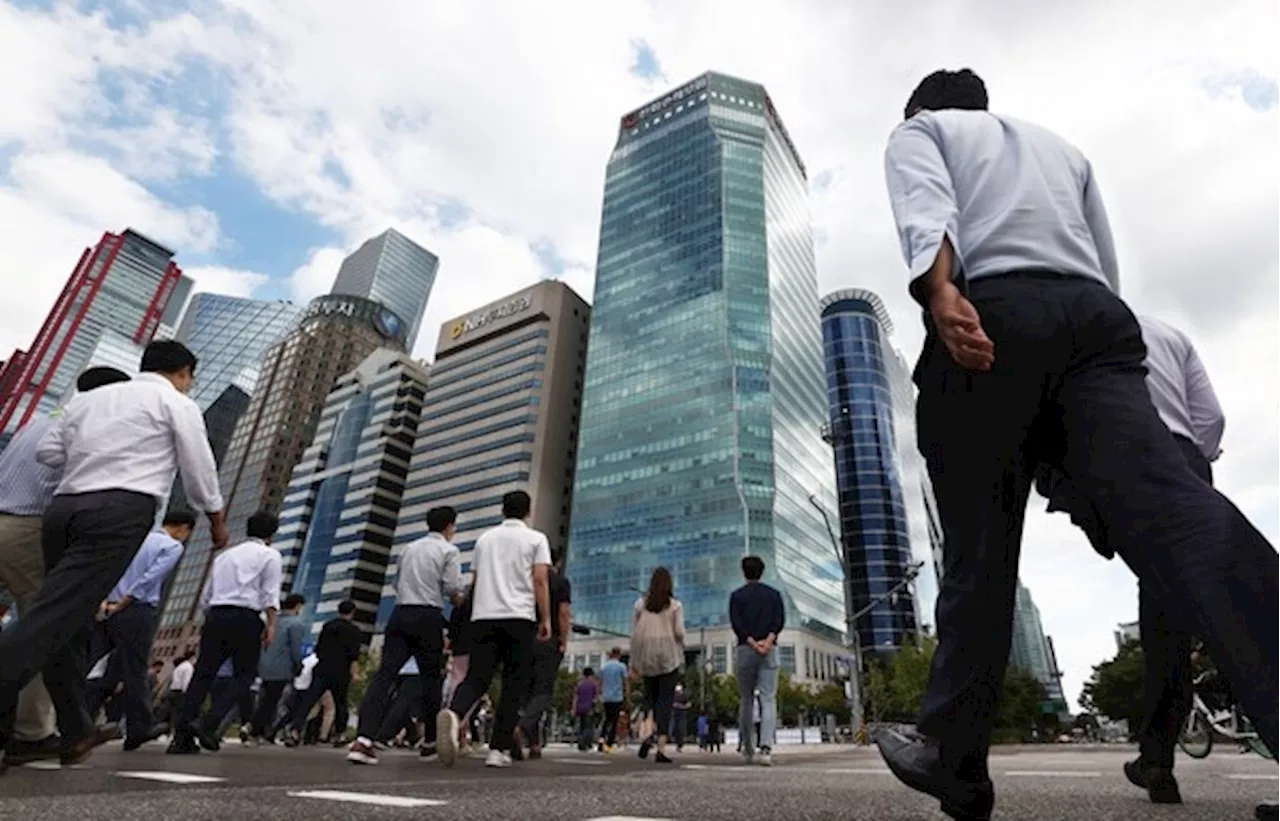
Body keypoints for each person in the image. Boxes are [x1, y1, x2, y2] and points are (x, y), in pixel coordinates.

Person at [875, 68, 1280, 821]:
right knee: (1182, 516)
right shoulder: (1061, 148)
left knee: (979, 552)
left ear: (921, 107)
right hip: (1094, 323)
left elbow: (925, 210)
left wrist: (940, 293)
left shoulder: (919, 132)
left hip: (992, 315)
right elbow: (1105, 266)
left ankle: (955, 757)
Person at [0, 340, 227, 773]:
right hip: (120, 510)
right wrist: (215, 518)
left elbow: (49, 452)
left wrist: (90, 457)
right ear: (183, 371)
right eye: (190, 378)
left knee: (68, 619)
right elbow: (199, 468)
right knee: (53, 615)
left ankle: (71, 729)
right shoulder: (175, 402)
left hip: (64, 509)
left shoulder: (91, 401)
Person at [1035, 314, 1224, 804]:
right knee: (1216, 603)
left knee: (1166, 626)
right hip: (1186, 462)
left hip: (1122, 460)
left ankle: (1157, 760)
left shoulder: (1079, 323)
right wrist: (1191, 460)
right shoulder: (1170, 332)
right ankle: (1155, 757)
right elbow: (1211, 418)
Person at [0, 366, 131, 767]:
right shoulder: (86, 428)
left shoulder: (39, 423)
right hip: (28, 528)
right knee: (45, 630)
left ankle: (59, 729)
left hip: (8, 520)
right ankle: (31, 733)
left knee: (45, 627)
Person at [435, 490, 551, 769]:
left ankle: (454, 713)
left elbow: (474, 581)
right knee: (514, 684)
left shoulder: (484, 540)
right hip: (519, 617)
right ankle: (498, 750)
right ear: (528, 511)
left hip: (484, 616)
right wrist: (545, 618)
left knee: (477, 677)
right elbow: (539, 580)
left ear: (502, 510)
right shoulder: (536, 539)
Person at [348, 506, 464, 765]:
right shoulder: (449, 551)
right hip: (428, 615)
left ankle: (363, 740)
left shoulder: (409, 548)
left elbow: (396, 583)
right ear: (449, 526)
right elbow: (453, 589)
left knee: (384, 676)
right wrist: (463, 601)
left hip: (400, 614)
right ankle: (431, 742)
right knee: (431, 680)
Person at [169, 511, 282, 755]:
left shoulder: (225, 556)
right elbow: (270, 595)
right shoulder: (270, 555)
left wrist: (209, 617)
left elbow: (206, 596)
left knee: (202, 675)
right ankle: (209, 723)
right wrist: (271, 625)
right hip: (247, 618)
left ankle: (181, 737)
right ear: (272, 534)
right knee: (244, 675)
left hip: (216, 615)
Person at [89, 510, 195, 750]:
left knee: (95, 664)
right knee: (135, 669)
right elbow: (151, 577)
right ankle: (139, 728)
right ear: (183, 528)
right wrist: (127, 600)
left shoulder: (137, 538)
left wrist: (107, 601)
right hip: (136, 609)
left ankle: (76, 718)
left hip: (108, 608)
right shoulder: (172, 546)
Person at [514, 544, 572, 759]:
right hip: (548, 638)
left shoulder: (525, 579)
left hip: (524, 637)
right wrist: (564, 640)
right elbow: (564, 613)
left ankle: (534, 744)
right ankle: (521, 727)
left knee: (528, 690)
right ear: (556, 562)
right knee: (543, 691)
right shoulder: (560, 582)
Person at [729, 555, 784, 767]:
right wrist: (768, 642)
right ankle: (766, 748)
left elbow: (737, 624)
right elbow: (779, 620)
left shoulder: (737, 596)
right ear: (763, 571)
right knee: (768, 698)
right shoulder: (774, 595)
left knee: (746, 699)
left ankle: (748, 749)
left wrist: (752, 643)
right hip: (769, 650)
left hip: (745, 649)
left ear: (744, 571)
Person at [286, 599, 363, 746]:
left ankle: (295, 730)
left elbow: (319, 648)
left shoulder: (328, 626)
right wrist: (355, 674)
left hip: (322, 668)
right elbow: (354, 656)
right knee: (340, 703)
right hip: (341, 671)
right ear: (352, 613)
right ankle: (339, 734)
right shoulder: (354, 631)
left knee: (309, 700)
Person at [630, 566, 685, 765]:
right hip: (668, 656)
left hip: (646, 657)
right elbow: (679, 632)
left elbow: (635, 633)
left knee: (650, 699)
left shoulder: (640, 605)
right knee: (665, 702)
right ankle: (661, 748)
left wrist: (633, 662)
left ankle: (647, 734)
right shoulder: (675, 606)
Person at [248, 593, 306, 744]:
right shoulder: (296, 624)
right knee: (271, 701)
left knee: (264, 699)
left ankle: (255, 728)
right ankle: (252, 729)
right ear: (298, 605)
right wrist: (298, 664)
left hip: (264, 665)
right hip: (282, 667)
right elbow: (295, 648)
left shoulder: (272, 621)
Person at [597, 647, 628, 752]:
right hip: (617, 697)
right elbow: (625, 682)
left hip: (606, 697)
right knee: (614, 721)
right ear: (619, 655)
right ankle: (609, 743)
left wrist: (599, 694)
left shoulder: (604, 667)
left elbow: (600, 682)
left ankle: (601, 739)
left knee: (606, 719)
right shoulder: (621, 667)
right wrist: (627, 696)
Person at [572, 668, 600, 751]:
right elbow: (595, 698)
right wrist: (597, 707)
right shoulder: (594, 685)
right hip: (589, 708)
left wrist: (573, 708)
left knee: (582, 726)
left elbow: (575, 697)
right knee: (588, 727)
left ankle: (582, 742)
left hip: (580, 708)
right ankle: (584, 743)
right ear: (591, 675)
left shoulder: (579, 684)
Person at [671, 684, 691, 751]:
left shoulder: (684, 696)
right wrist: (673, 705)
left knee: (681, 729)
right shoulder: (673, 696)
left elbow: (689, 704)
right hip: (674, 714)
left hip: (682, 714)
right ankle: (676, 743)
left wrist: (682, 706)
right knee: (674, 729)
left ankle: (680, 745)